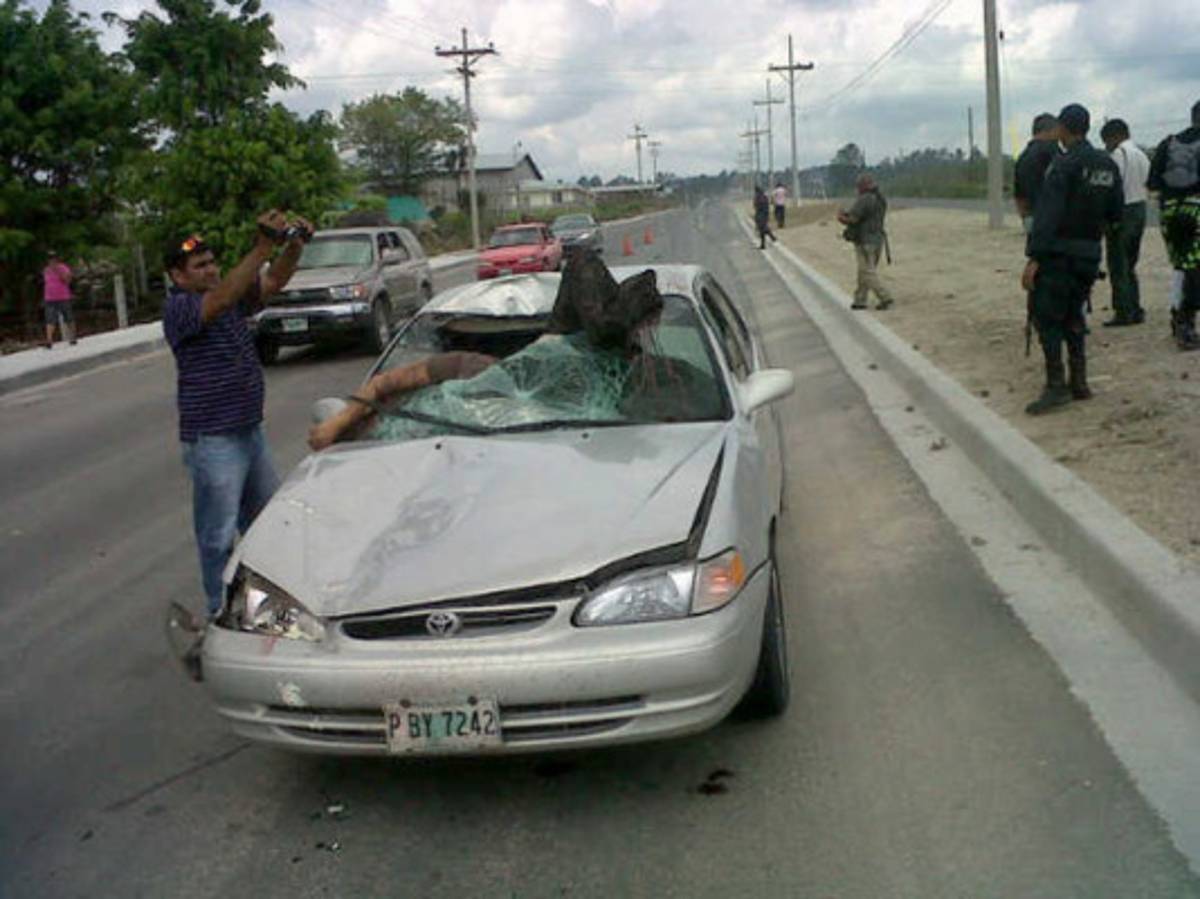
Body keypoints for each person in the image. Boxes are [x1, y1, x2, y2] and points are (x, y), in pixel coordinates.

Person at [163, 210, 312, 618]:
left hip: (249, 432)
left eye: (212, 262)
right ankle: (220, 613)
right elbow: (223, 297)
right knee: (217, 536)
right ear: (178, 277)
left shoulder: (228, 296)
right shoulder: (180, 309)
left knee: (267, 528)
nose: (210, 270)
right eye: (199, 266)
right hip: (213, 440)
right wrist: (263, 246)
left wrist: (293, 247)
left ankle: (272, 607)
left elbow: (273, 281)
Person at [1021, 104, 1123, 414]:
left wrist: (1034, 258)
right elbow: (1115, 214)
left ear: (1064, 129)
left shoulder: (1063, 165)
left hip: (1058, 255)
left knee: (1047, 316)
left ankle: (1056, 386)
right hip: (1089, 255)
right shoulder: (1107, 165)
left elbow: (1047, 216)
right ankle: (1079, 382)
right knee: (1075, 316)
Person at [1147, 99, 1200, 350]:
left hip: (1169, 212)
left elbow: (1153, 184)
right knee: (1195, 268)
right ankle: (1185, 323)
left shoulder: (1168, 143)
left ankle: (1177, 314)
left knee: (1181, 264)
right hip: (1197, 210)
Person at [1099, 118, 1150, 327]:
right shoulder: (1141, 154)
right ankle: (1135, 308)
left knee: (1118, 263)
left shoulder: (1120, 154)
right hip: (1140, 207)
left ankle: (1123, 311)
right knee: (1130, 263)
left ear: (1115, 137)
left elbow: (1113, 184)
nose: (1106, 147)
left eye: (1106, 141)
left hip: (1124, 210)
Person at [837, 173, 894, 310]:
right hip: (878, 239)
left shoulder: (865, 199)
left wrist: (841, 217)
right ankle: (860, 299)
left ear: (862, 186)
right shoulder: (880, 199)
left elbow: (853, 218)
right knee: (863, 272)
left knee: (867, 272)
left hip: (865, 241)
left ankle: (885, 296)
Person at [1014, 113, 1062, 234]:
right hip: (1053, 219)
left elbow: (1018, 193)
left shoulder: (1023, 157)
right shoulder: (1052, 151)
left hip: (1030, 218)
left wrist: (1025, 217)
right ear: (1049, 130)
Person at [42, 250, 75, 348]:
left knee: (68, 317)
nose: (52, 261)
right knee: (50, 319)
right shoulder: (46, 270)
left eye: (53, 258)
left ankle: (72, 337)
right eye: (50, 259)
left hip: (63, 297)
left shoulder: (63, 268)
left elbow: (68, 280)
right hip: (50, 298)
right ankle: (49, 340)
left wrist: (59, 272)